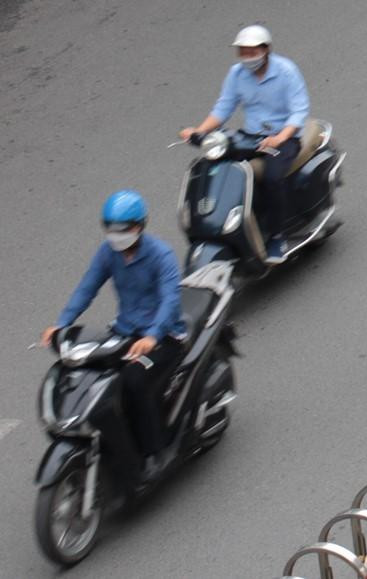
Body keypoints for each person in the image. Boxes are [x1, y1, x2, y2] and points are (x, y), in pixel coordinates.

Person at [40, 190, 188, 482]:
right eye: (110, 228)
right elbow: (87, 287)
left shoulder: (161, 255)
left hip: (163, 337)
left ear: (138, 226)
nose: (116, 235)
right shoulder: (108, 253)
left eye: (122, 229)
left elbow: (170, 301)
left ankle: (153, 453)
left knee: (133, 381)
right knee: (89, 376)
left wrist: (152, 337)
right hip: (123, 333)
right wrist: (61, 324)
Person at [179, 24, 310, 262]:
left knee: (271, 178)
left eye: (252, 52)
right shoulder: (236, 74)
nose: (247, 57)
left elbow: (299, 112)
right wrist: (198, 131)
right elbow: (223, 108)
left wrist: (280, 138)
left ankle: (278, 236)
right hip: (250, 137)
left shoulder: (286, 72)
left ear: (266, 49)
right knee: (219, 168)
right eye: (243, 52)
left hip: (284, 138)